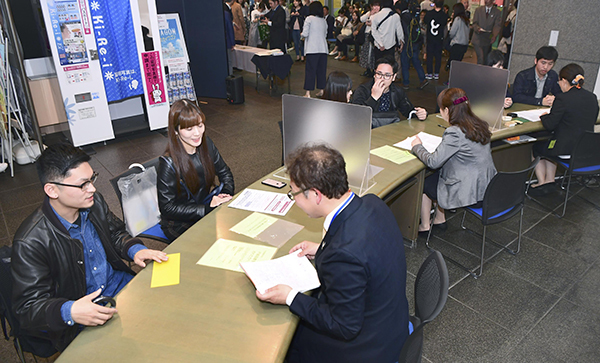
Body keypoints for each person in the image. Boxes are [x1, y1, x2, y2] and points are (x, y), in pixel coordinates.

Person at [256, 144, 409, 363]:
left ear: (316, 195)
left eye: (294, 194)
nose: (294, 200)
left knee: (285, 342)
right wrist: (322, 249)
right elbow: (366, 251)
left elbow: (344, 326)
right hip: (390, 322)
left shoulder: (344, 254)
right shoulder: (372, 203)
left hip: (368, 347)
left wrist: (289, 296)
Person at [11, 143, 169, 351]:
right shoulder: (31, 241)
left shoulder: (93, 203)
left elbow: (115, 233)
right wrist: (70, 311)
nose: (92, 189)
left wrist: (135, 249)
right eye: (82, 184)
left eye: (92, 179)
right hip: (84, 314)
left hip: (121, 290)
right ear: (52, 190)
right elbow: (27, 308)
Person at [411, 88, 496, 233]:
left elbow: (433, 162)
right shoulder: (480, 124)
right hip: (487, 187)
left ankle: (425, 226)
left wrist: (417, 146)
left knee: (424, 182)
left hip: (471, 193)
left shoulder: (455, 132)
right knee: (442, 173)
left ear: (446, 110)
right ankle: (439, 218)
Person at [157, 99, 234, 241]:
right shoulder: (168, 162)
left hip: (206, 208)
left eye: (200, 125)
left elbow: (225, 173)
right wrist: (205, 209)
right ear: (175, 131)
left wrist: (225, 195)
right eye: (189, 129)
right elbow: (167, 208)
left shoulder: (207, 145)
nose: (197, 133)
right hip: (180, 223)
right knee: (211, 243)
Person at [528, 64, 600, 195]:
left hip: (566, 151)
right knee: (551, 143)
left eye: (560, 81)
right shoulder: (592, 98)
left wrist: (544, 117)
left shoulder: (563, 98)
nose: (559, 84)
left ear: (565, 81)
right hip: (585, 151)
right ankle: (550, 181)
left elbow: (550, 124)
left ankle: (541, 182)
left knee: (538, 147)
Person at [352, 56, 428, 128]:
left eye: (387, 75)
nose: (382, 78)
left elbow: (409, 111)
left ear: (394, 77)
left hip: (390, 131)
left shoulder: (397, 91)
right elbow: (356, 116)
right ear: (374, 75)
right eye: (379, 74)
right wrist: (373, 98)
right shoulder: (362, 90)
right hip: (367, 131)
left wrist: (420, 113)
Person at [398, 0, 428, 90]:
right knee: (416, 61)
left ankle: (406, 83)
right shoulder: (414, 16)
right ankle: (423, 79)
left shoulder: (403, 17)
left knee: (405, 63)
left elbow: (404, 31)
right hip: (415, 42)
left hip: (407, 43)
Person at [301, 1, 328, 98]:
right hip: (323, 49)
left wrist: (301, 35)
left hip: (312, 49)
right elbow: (325, 34)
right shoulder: (323, 20)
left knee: (310, 71)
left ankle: (308, 93)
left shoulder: (309, 19)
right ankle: (322, 90)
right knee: (321, 71)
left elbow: (305, 33)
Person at [471, 0, 501, 65]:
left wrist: (494, 36)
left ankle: (482, 72)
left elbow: (497, 25)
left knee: (485, 59)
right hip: (477, 37)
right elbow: (474, 23)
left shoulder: (497, 12)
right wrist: (477, 28)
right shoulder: (478, 10)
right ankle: (478, 73)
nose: (485, 1)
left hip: (487, 38)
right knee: (480, 57)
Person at [423, 0, 447, 80]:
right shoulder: (444, 15)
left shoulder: (429, 14)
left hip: (430, 38)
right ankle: (436, 73)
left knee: (429, 56)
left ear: (434, 4)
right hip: (439, 39)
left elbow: (425, 22)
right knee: (438, 56)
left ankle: (429, 73)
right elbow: (444, 26)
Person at [445, 2, 469, 71]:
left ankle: (450, 80)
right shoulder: (466, 20)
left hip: (457, 45)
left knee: (452, 64)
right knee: (457, 64)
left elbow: (452, 32)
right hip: (464, 45)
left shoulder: (458, 19)